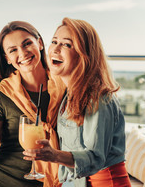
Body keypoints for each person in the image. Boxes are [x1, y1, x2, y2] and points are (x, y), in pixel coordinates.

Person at [23, 18, 131, 186]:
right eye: (54, 41)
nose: (56, 49)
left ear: (84, 54)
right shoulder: (70, 95)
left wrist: (54, 155)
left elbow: (96, 158)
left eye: (67, 45)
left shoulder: (97, 97)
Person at [0, 21, 66, 187]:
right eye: (13, 50)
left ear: (39, 43)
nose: (23, 53)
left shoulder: (65, 89)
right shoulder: (1, 94)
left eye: (27, 44)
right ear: (8, 59)